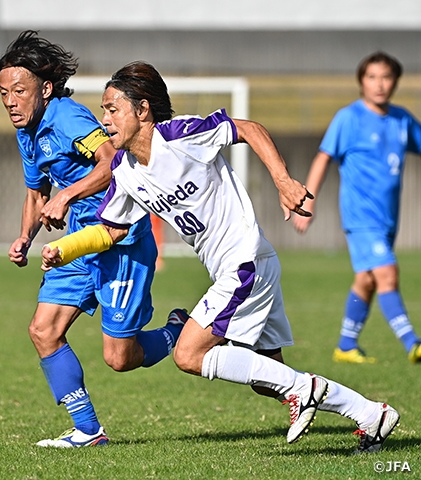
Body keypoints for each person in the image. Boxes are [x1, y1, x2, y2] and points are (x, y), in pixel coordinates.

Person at [41, 61, 400, 453]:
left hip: (244, 262)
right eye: (103, 110)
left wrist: (283, 181)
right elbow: (112, 229)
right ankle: (372, 414)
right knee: (269, 378)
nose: (104, 118)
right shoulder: (125, 171)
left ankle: (306, 390)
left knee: (189, 354)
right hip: (245, 267)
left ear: (142, 110)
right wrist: (66, 248)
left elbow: (249, 129)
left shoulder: (179, 136)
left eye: (112, 108)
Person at [0, 32, 188, 448]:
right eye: (3, 92)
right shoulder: (26, 132)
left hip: (118, 237)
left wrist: (67, 194)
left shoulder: (69, 119)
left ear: (45, 89)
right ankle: (87, 430)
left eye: (19, 90)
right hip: (78, 244)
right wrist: (25, 236)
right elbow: (35, 192)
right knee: (43, 330)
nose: (10, 100)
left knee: (120, 358)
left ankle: (178, 331)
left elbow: (113, 161)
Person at [293, 52, 421, 365]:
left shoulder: (402, 119)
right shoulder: (348, 118)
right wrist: (308, 198)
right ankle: (413, 343)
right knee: (387, 274)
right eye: (372, 77)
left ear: (395, 82)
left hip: (388, 218)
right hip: (361, 217)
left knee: (367, 279)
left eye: (386, 77)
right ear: (361, 82)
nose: (379, 84)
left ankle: (346, 345)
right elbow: (323, 157)